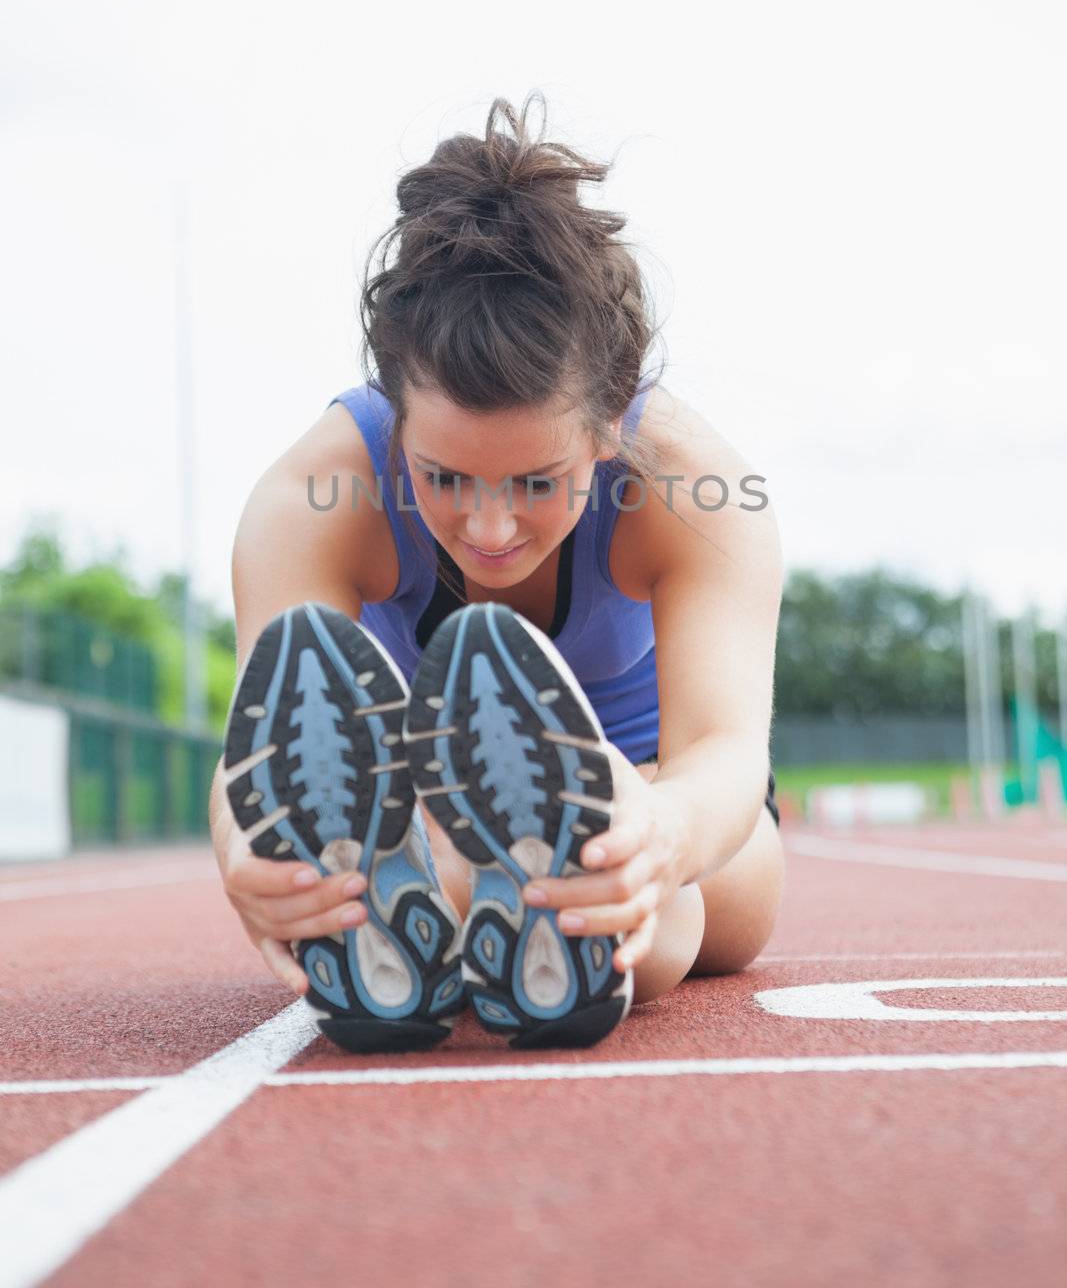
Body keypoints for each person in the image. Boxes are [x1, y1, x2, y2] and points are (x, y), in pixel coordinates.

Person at [209, 92, 785, 1045]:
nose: (487, 525)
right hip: (428, 804)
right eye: (441, 476)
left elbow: (725, 753)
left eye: (534, 480)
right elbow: (258, 754)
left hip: (665, 789)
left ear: (607, 429)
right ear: (394, 418)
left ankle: (546, 902)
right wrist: (252, 861)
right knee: (435, 848)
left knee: (679, 909)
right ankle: (451, 902)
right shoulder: (305, 499)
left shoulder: (698, 490)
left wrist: (658, 836)